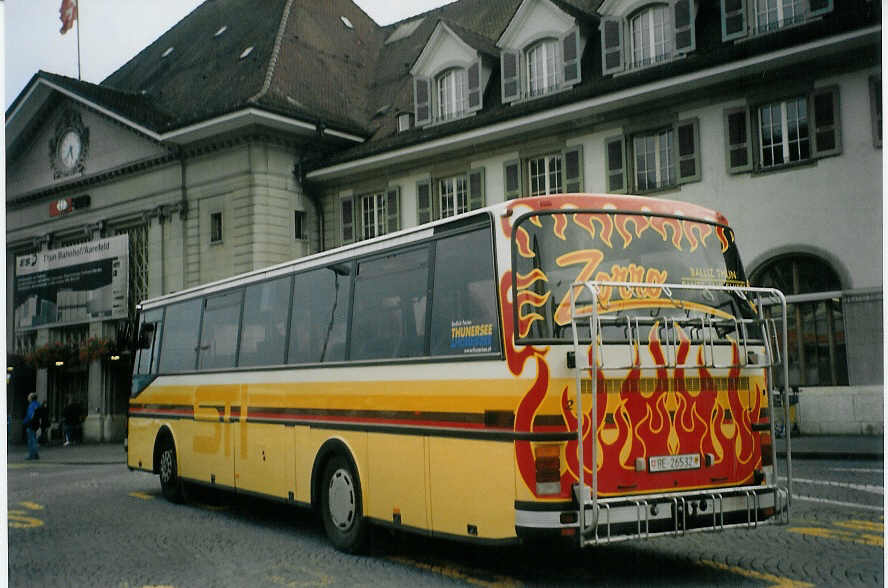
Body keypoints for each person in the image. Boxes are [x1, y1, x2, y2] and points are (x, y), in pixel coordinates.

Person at [22, 393, 40, 460]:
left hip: (31, 424)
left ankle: (32, 455)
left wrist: (24, 422)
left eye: (29, 397)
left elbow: (30, 415)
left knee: (31, 440)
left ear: (31, 398)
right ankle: (35, 454)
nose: (28, 398)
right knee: (34, 439)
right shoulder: (38, 404)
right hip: (36, 424)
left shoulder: (31, 405)